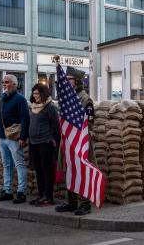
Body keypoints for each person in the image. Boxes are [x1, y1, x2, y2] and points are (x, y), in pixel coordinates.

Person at [55, 66, 95, 215]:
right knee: (69, 170)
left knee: (82, 171)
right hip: (67, 140)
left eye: (69, 79)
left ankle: (85, 204)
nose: (66, 82)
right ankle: (71, 202)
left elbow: (90, 121)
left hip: (80, 140)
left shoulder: (85, 99)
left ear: (77, 81)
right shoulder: (66, 99)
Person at [0, 74, 29, 203]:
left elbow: (25, 119)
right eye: (3, 82)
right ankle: (7, 191)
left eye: (7, 82)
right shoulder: (2, 99)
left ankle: (21, 192)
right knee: (7, 165)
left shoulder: (20, 99)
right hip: (2, 138)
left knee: (19, 164)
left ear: (14, 84)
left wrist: (23, 137)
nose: (4, 84)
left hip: (14, 138)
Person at [29, 83, 60, 206]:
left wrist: (53, 140)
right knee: (38, 170)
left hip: (45, 143)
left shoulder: (50, 107)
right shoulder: (33, 107)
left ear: (43, 94)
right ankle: (41, 194)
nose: (35, 96)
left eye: (38, 94)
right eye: (34, 93)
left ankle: (49, 197)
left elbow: (55, 125)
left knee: (47, 171)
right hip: (34, 143)